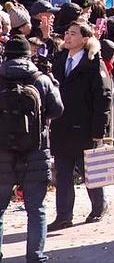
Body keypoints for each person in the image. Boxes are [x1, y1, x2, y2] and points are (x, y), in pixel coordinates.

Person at [0, 35, 64, 263]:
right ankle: (35, 257)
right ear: (29, 54)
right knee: (36, 208)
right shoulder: (41, 78)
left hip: (2, 153)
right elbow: (57, 110)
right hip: (35, 150)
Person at [49, 21, 112, 229]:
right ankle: (64, 215)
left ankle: (99, 206)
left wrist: (99, 129)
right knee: (63, 174)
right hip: (61, 126)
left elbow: (103, 98)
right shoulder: (59, 60)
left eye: (73, 34)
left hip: (84, 127)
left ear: (85, 39)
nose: (67, 37)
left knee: (91, 171)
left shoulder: (93, 62)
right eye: (66, 33)